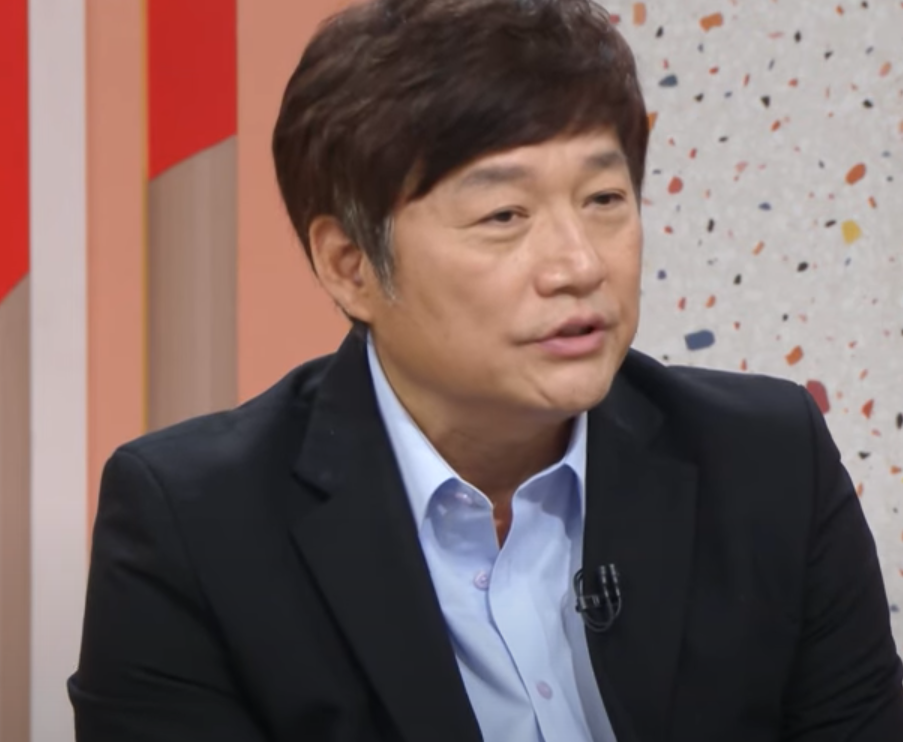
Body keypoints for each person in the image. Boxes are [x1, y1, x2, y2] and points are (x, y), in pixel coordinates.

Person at [68, 0, 903, 739]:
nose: (579, 264)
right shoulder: (194, 529)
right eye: (504, 215)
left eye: (604, 200)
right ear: (350, 265)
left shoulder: (766, 463)